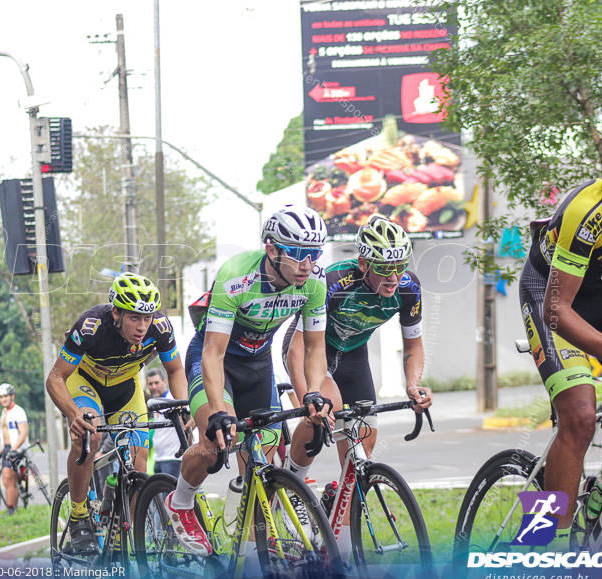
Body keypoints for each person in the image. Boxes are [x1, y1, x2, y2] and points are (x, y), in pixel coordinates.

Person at [165, 204, 332, 556]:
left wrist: (314, 390)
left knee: (265, 463)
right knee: (215, 441)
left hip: (258, 364)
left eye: (315, 254)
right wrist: (217, 410)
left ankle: (256, 535)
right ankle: (180, 501)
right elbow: (213, 352)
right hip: (215, 358)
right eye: (300, 254)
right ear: (272, 249)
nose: (308, 264)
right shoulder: (236, 276)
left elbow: (316, 347)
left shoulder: (314, 281)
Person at [283, 213, 433, 556]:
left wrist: (413, 384)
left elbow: (414, 345)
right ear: (363, 262)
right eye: (384, 269)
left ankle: (339, 521)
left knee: (362, 446)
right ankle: (293, 485)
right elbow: (300, 345)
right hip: (309, 348)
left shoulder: (408, 287)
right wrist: (309, 393)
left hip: (352, 356)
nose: (394, 277)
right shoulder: (334, 281)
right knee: (325, 410)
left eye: (400, 267)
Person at [518, 163, 602, 548]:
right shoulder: (592, 210)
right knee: (581, 416)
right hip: (551, 298)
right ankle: (550, 546)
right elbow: (557, 311)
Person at [46, 272, 188, 552]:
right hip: (85, 383)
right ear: (116, 313)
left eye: (146, 318)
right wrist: (74, 414)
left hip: (126, 388)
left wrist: (181, 405)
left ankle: (136, 540)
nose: (142, 326)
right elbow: (55, 378)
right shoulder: (91, 326)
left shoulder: (160, 326)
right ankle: (78, 515)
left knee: (139, 459)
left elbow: (176, 370)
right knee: (90, 433)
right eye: (134, 318)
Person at [0, 383, 28, 517]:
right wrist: (0, 451)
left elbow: (23, 432)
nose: (3, 399)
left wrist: (14, 449)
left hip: (16, 448)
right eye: (1, 397)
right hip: (7, 448)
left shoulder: (18, 411)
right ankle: (13, 505)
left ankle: (11, 509)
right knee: (9, 480)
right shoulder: (4, 412)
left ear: (12, 396)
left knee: (8, 479)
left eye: (6, 396)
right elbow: (4, 434)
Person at [146, 368, 182, 479]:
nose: (153, 387)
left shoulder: (172, 400)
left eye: (157, 383)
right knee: (159, 495)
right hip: (158, 458)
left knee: (170, 495)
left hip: (173, 458)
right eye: (150, 384)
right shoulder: (155, 403)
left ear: (165, 382)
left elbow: (184, 426)